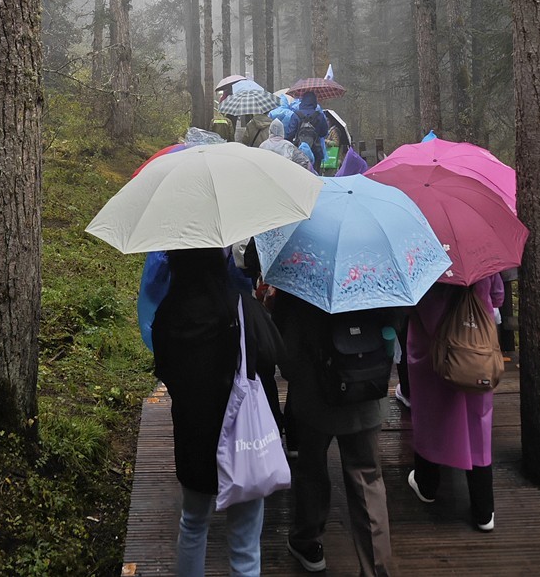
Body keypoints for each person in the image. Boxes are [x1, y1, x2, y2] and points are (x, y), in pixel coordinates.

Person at [151, 247, 284, 577]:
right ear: (218, 258)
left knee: (193, 524)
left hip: (193, 435)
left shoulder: (167, 313)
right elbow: (273, 355)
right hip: (243, 438)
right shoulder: (239, 306)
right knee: (244, 543)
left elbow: (165, 370)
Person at [273, 290, 397, 577]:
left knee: (311, 467)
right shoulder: (378, 270)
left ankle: (308, 539)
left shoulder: (299, 273)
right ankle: (376, 566)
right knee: (366, 476)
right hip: (366, 387)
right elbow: (394, 325)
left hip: (315, 394)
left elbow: (286, 350)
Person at [404, 273, 505, 531]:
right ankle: (484, 510)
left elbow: (409, 299)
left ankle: (427, 484)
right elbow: (497, 296)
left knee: (431, 412)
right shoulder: (479, 249)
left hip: (432, 346)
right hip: (475, 347)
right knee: (477, 423)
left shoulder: (422, 253)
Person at [289, 92, 328, 171]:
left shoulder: (295, 115)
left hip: (298, 151)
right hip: (315, 151)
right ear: (314, 102)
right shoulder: (319, 116)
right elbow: (324, 133)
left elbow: (290, 133)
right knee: (315, 176)